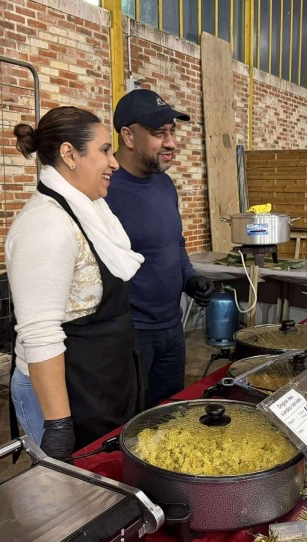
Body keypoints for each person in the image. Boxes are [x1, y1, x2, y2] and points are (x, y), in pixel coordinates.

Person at [6, 106, 145, 461]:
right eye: (104, 151)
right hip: (64, 395)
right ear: (69, 154)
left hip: (99, 383)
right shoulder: (45, 224)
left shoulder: (92, 212)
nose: (114, 163)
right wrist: (58, 425)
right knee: (67, 506)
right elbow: (39, 333)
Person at [105, 89, 214, 408]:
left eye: (172, 132)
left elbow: (174, 243)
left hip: (172, 329)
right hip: (130, 337)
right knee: (127, 425)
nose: (171, 143)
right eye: (158, 133)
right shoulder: (105, 191)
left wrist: (189, 277)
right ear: (128, 136)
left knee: (169, 416)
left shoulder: (165, 185)